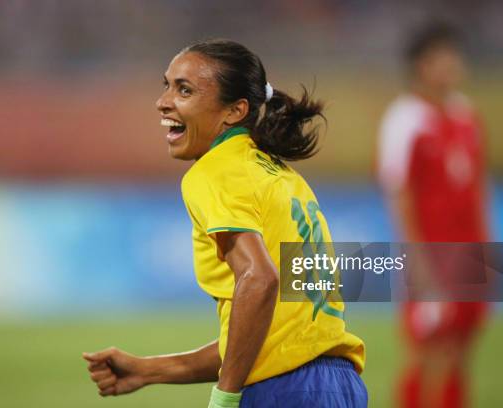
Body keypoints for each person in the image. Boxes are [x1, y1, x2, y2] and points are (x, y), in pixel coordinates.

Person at [82, 39, 367, 407]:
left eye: (184, 90)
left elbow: (260, 279)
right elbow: (260, 339)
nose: (163, 101)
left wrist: (225, 397)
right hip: (339, 387)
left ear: (235, 111)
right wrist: (148, 370)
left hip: (283, 393)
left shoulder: (215, 171)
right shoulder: (280, 174)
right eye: (166, 85)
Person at [377, 22, 490, 408]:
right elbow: (400, 194)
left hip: (470, 253)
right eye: (443, 57)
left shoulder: (466, 114)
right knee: (430, 351)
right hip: (432, 256)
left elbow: (477, 187)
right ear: (421, 65)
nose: (453, 65)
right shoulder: (404, 119)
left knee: (461, 348)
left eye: (454, 56)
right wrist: (417, 260)